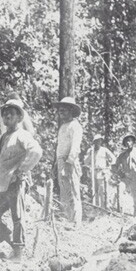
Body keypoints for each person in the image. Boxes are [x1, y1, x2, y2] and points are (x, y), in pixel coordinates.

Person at [0, 99, 43, 260]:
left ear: (19, 117)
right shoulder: (4, 137)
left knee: (17, 217)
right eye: (5, 114)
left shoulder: (22, 135)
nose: (7, 116)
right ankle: (11, 242)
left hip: (16, 182)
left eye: (11, 113)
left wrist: (21, 169)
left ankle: (18, 253)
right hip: (4, 184)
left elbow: (36, 151)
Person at [55, 96, 83, 226]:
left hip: (69, 162)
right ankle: (67, 219)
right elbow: (59, 147)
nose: (61, 112)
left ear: (71, 110)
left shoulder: (75, 126)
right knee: (64, 191)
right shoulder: (63, 127)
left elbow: (75, 147)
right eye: (60, 110)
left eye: (64, 109)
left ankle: (76, 222)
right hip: (61, 161)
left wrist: (69, 162)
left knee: (73, 191)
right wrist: (57, 164)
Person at [112, 134, 136, 216]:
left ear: (133, 142)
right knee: (120, 189)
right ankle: (120, 211)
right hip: (126, 177)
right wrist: (119, 173)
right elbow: (115, 166)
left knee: (135, 195)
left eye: (130, 141)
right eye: (126, 141)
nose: (128, 143)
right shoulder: (123, 155)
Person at [84, 136, 116, 210]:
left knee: (102, 190)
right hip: (93, 172)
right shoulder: (90, 151)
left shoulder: (104, 150)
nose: (97, 142)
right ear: (94, 142)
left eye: (99, 141)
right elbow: (86, 162)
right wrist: (90, 154)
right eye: (96, 141)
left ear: (101, 141)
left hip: (102, 172)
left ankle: (103, 207)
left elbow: (113, 159)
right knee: (94, 190)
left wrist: (108, 168)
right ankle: (96, 207)